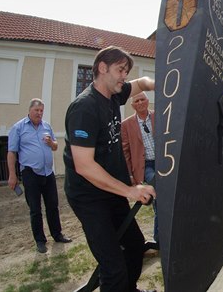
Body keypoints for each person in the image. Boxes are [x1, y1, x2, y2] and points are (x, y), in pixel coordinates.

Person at [64, 46, 156, 292]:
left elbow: (143, 83)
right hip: (89, 197)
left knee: (136, 246)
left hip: (112, 191)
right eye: (120, 70)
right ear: (102, 68)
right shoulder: (84, 108)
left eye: (126, 71)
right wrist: (129, 190)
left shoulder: (115, 94)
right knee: (112, 266)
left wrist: (162, 84)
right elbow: (84, 166)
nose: (124, 76)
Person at [7, 98, 72, 254]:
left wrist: (51, 143)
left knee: (53, 206)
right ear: (30, 110)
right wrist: (12, 175)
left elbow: (56, 146)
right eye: (37, 110)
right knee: (35, 209)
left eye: (41, 110)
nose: (39, 113)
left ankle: (57, 234)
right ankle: (40, 241)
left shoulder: (46, 126)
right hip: (30, 173)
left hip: (47, 172)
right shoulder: (19, 128)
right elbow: (11, 152)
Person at [121, 92, 158, 244]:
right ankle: (160, 238)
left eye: (143, 99)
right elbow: (125, 152)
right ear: (132, 105)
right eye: (137, 100)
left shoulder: (159, 116)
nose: (141, 102)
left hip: (165, 161)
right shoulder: (126, 125)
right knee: (159, 190)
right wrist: (130, 175)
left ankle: (161, 237)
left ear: (148, 101)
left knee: (161, 199)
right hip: (146, 166)